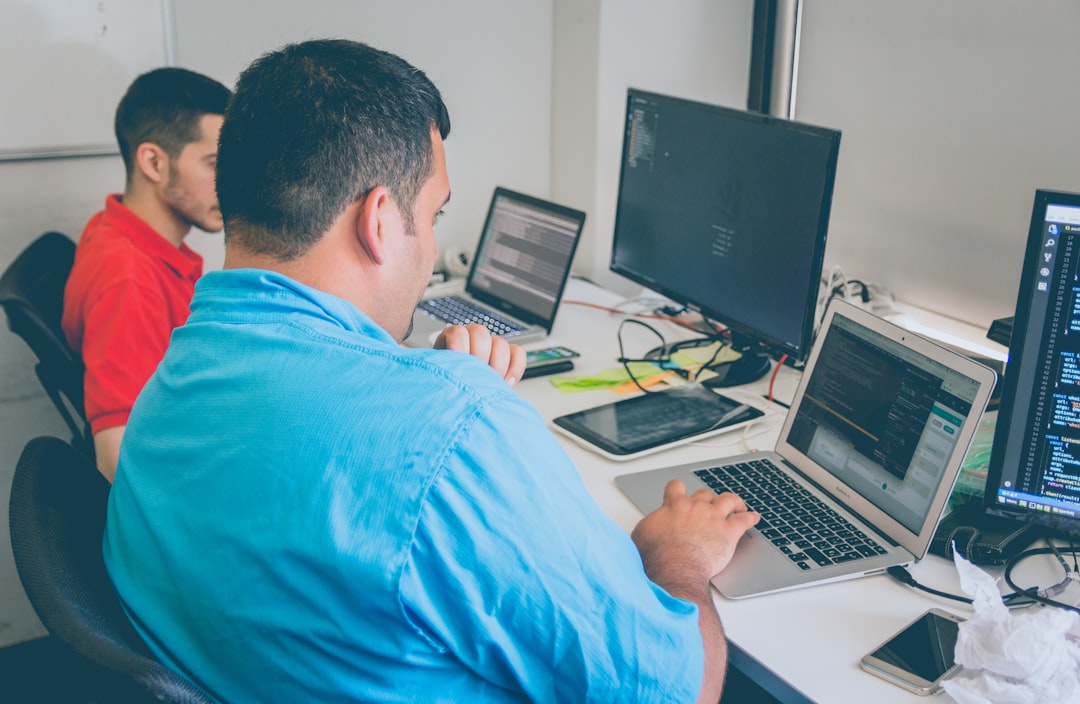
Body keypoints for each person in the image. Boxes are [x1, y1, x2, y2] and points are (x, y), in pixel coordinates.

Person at [103, 39, 759, 703]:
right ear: (380, 220)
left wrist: (423, 398)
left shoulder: (173, 375)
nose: (435, 245)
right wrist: (679, 558)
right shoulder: (451, 431)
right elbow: (678, 691)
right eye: (434, 214)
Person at [61, 67, 231, 482]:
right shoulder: (128, 280)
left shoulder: (114, 226)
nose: (230, 183)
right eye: (214, 163)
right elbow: (116, 460)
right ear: (154, 162)